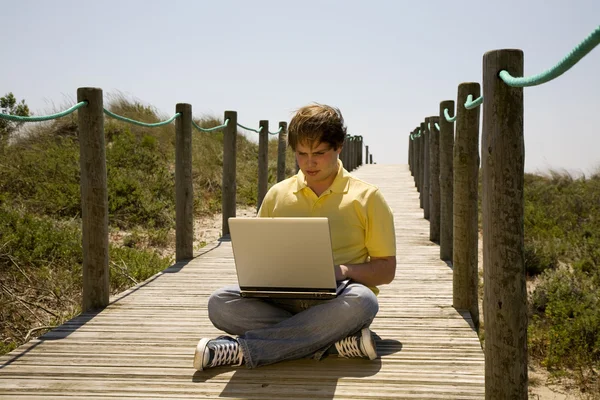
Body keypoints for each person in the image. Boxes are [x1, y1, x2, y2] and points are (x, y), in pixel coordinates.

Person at [194, 103, 396, 371]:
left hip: (338, 299)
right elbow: (257, 256)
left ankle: (243, 350)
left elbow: (386, 270)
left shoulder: (368, 197)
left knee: (364, 302)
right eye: (302, 154)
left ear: (339, 147)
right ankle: (331, 341)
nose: (309, 162)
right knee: (220, 303)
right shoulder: (278, 194)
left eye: (320, 153)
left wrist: (341, 270)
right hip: (280, 300)